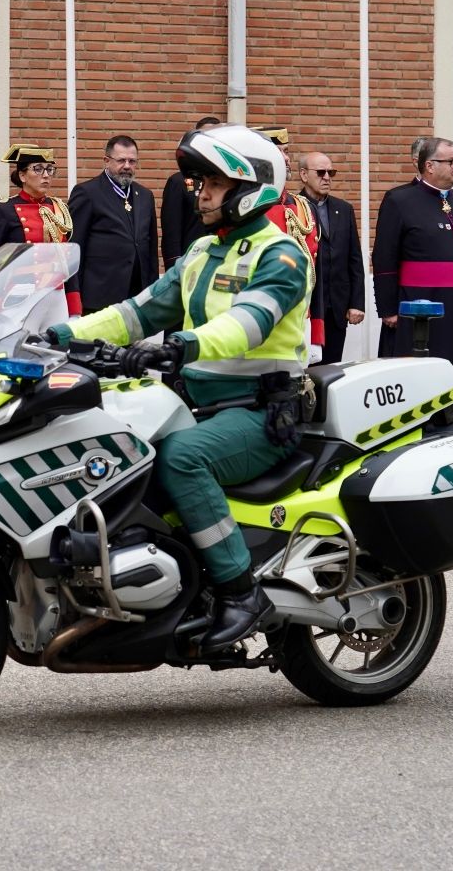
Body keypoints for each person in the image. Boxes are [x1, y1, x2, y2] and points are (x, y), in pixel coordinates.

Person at [45, 125, 309, 651]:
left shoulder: (280, 256)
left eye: (213, 182)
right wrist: (56, 334)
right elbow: (135, 313)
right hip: (202, 406)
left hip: (260, 412)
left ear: (248, 187)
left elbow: (249, 323)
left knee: (182, 459)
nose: (201, 192)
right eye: (200, 182)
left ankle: (240, 591)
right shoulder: (201, 254)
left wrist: (182, 346)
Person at [372, 137, 453, 425]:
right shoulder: (399, 200)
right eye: (451, 162)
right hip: (421, 308)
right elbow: (384, 258)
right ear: (429, 166)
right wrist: (388, 308)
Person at [0, 144, 82, 314]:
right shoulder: (3, 211)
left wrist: (74, 307)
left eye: (50, 169)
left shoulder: (59, 208)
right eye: (38, 169)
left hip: (56, 297)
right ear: (22, 175)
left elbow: (67, 262)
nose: (46, 175)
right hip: (18, 297)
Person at [254, 126, 324, 364]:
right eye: (278, 151)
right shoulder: (248, 208)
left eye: (286, 151)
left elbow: (315, 274)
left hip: (299, 321)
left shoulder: (302, 207)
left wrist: (316, 332)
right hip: (257, 323)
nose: (286, 158)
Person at [69, 135, 159, 313]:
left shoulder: (145, 195)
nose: (127, 166)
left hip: (136, 297)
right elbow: (74, 247)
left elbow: (150, 249)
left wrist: (152, 291)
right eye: (121, 160)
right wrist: (74, 294)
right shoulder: (87, 193)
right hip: (99, 295)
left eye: (132, 161)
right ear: (106, 161)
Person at [296, 152, 364, 363]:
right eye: (321, 172)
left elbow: (354, 259)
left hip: (337, 307)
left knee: (332, 368)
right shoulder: (292, 208)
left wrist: (357, 302)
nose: (327, 177)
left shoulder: (343, 209)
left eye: (330, 172)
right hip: (306, 308)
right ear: (304, 175)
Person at [161, 116, 222, 269]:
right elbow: (171, 233)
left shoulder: (226, 181)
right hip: (189, 264)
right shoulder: (178, 181)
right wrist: (174, 267)